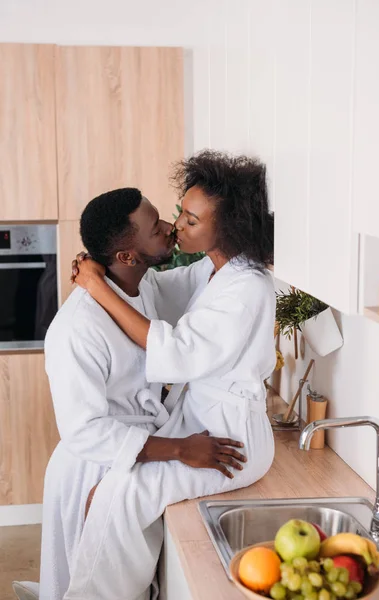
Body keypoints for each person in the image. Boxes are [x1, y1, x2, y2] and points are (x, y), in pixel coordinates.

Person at [64, 150, 276, 600]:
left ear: (229, 229)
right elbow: (156, 287)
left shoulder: (247, 288)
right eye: (181, 211)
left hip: (231, 443)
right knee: (112, 494)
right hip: (201, 421)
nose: (178, 225)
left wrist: (97, 285)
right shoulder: (215, 271)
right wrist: (106, 270)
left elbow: (175, 354)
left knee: (120, 496)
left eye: (191, 220)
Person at [18, 188, 246, 600]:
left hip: (139, 456)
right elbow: (85, 432)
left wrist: (231, 232)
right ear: (126, 256)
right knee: (91, 587)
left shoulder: (147, 286)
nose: (169, 226)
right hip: (95, 470)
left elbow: (208, 279)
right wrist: (179, 450)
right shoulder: (76, 329)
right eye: (155, 226)